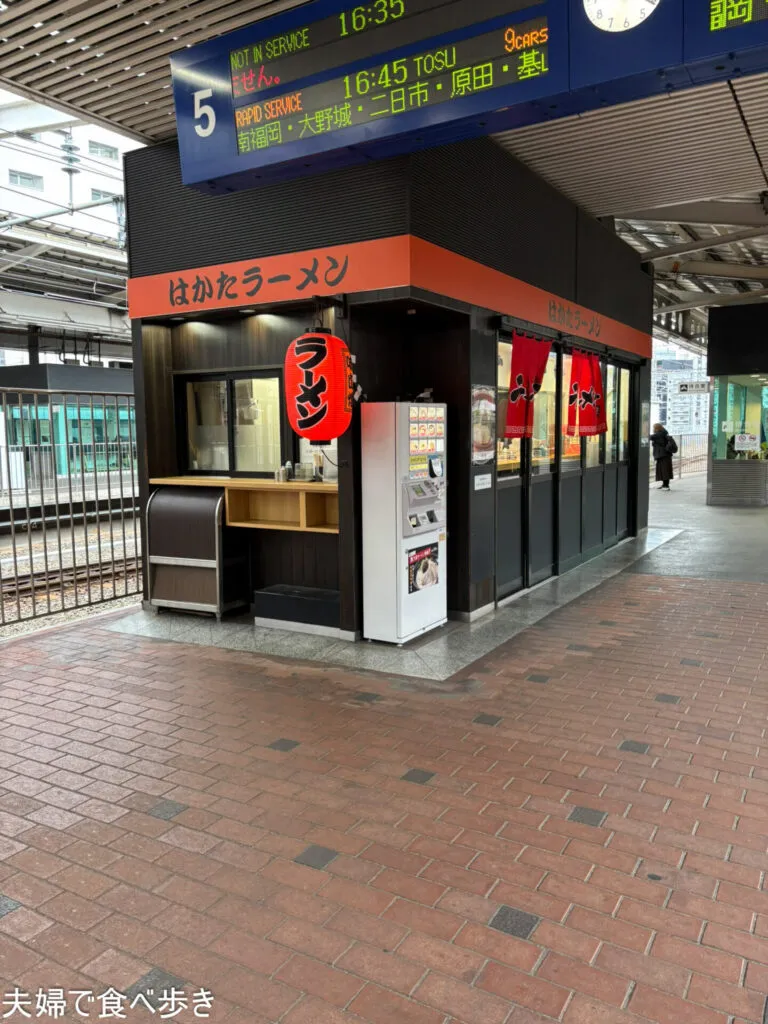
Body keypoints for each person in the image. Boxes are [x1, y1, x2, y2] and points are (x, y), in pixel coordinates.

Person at [651, 422, 674, 489]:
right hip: (664, 454)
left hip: (663, 455)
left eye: (654, 427)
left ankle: (666, 485)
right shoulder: (663, 432)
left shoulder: (660, 434)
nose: (653, 429)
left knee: (665, 470)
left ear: (657, 428)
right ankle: (664, 484)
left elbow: (650, 437)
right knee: (664, 470)